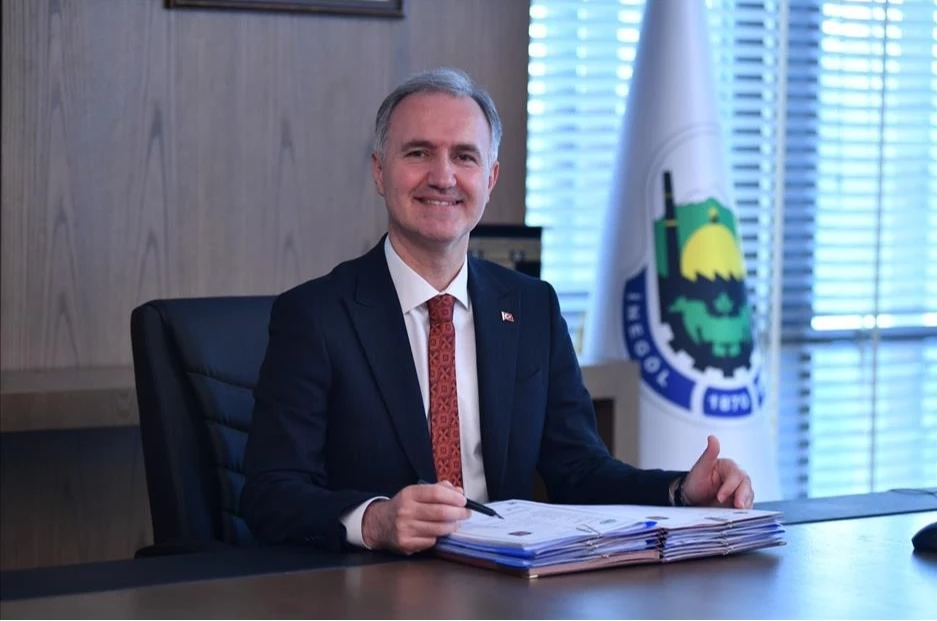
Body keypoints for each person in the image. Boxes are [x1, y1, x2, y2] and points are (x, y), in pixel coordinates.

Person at [239, 67, 754, 556]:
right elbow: (270, 493)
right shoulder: (315, 316)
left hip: (505, 583)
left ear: (490, 177)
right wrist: (375, 520)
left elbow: (579, 470)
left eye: (464, 157)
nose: (443, 176)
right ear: (380, 171)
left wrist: (680, 491)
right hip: (370, 587)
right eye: (418, 153)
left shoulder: (532, 307)